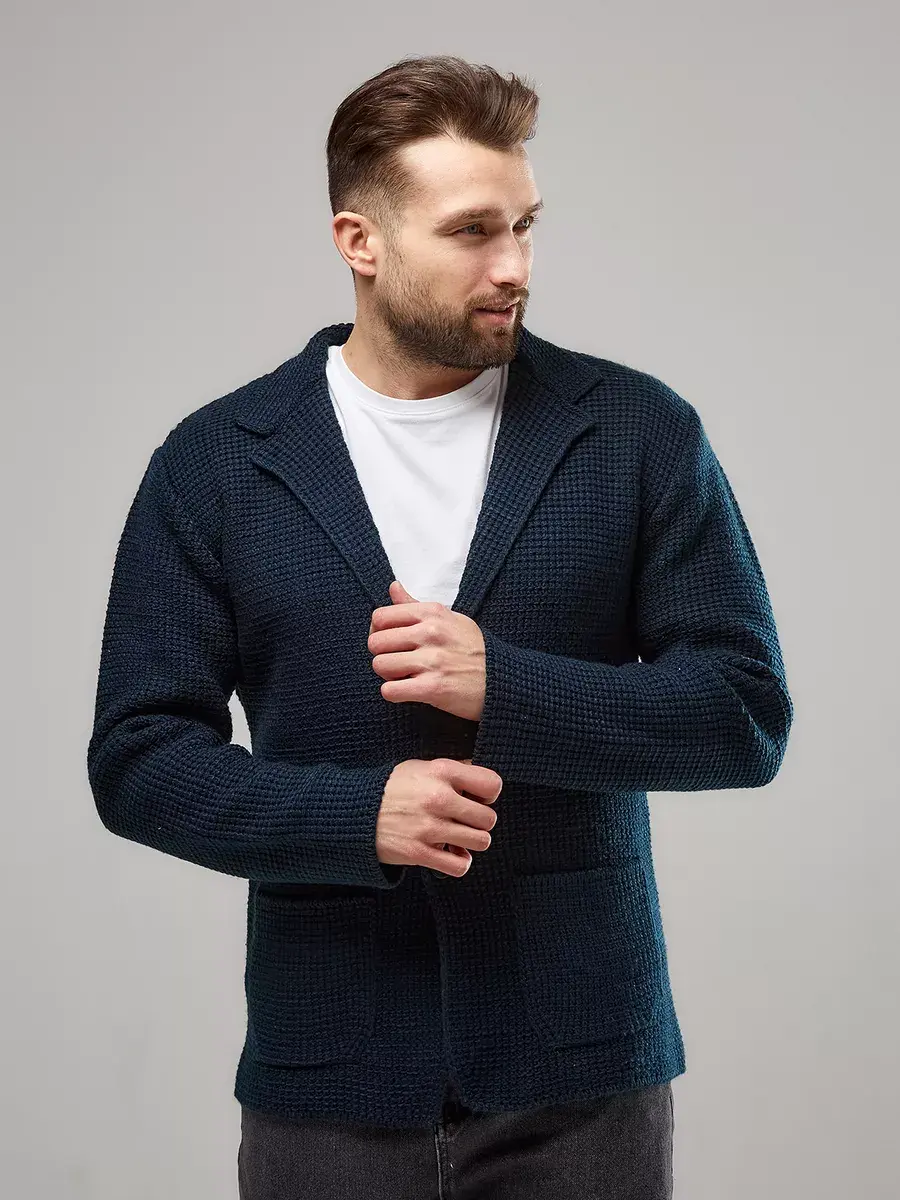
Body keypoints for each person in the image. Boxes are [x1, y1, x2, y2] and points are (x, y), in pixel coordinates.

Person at [86, 53, 793, 1200]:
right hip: (330, 1074)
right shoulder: (217, 463)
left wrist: (506, 687)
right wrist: (355, 816)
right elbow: (138, 761)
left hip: (581, 1076)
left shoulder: (637, 432)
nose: (513, 266)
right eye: (472, 232)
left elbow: (743, 716)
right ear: (359, 241)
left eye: (524, 225)